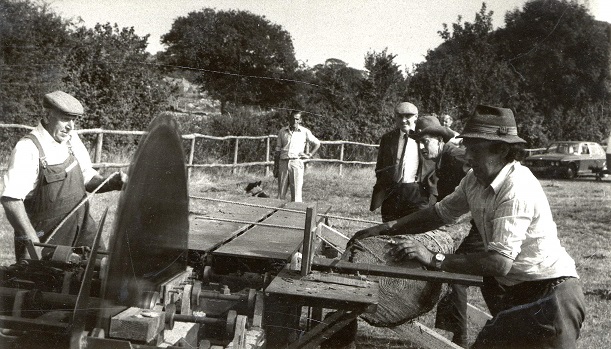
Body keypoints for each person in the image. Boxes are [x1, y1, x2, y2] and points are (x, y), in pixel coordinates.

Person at [351, 105, 585, 348]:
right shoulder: (475, 179)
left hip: (552, 298)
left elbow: (499, 262)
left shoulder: (517, 187)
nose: (467, 156)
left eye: (475, 149)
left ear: (502, 150)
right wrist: (387, 227)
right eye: (466, 147)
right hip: (521, 293)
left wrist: (434, 258)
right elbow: (438, 213)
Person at [1, 91, 126, 261]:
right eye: (65, 119)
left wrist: (111, 183)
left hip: (83, 230)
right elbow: (11, 201)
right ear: (47, 115)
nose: (71, 126)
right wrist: (33, 242)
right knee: (52, 285)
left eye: (74, 119)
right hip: (46, 240)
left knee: (102, 275)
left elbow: (87, 177)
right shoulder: (28, 148)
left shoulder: (71, 140)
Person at [411, 116, 483, 347]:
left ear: (440, 140)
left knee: (455, 274)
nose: (422, 147)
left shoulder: (454, 155)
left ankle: (460, 339)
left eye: (426, 141)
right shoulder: (444, 159)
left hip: (485, 226)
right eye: (418, 143)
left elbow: (479, 174)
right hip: (479, 223)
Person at [370, 102, 436, 222]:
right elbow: (380, 166)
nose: (403, 120)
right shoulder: (388, 138)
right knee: (389, 230)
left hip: (418, 192)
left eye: (408, 116)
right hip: (392, 192)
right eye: (399, 116)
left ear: (416, 117)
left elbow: (436, 166)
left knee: (415, 230)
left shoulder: (428, 138)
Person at [275, 111, 320, 202]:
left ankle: (295, 215)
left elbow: (317, 143)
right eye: (292, 118)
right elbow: (277, 150)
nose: (294, 121)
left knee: (296, 194)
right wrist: (276, 166)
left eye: (297, 119)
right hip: (283, 163)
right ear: (289, 119)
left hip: (296, 163)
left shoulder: (304, 131)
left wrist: (309, 155)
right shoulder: (282, 131)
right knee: (281, 194)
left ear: (300, 120)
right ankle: (277, 214)